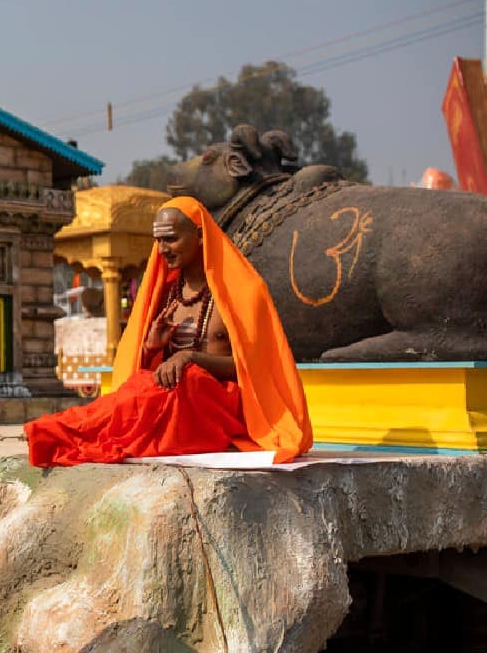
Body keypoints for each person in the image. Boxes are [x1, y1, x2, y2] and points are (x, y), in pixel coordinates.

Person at [25, 196, 312, 467]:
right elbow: (154, 373)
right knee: (135, 393)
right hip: (175, 400)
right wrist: (152, 348)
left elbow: (257, 372)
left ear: (200, 236)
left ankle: (62, 431)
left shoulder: (244, 292)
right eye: (158, 240)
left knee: (187, 381)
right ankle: (58, 430)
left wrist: (191, 357)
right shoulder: (165, 294)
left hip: (221, 408)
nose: (162, 249)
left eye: (171, 239)